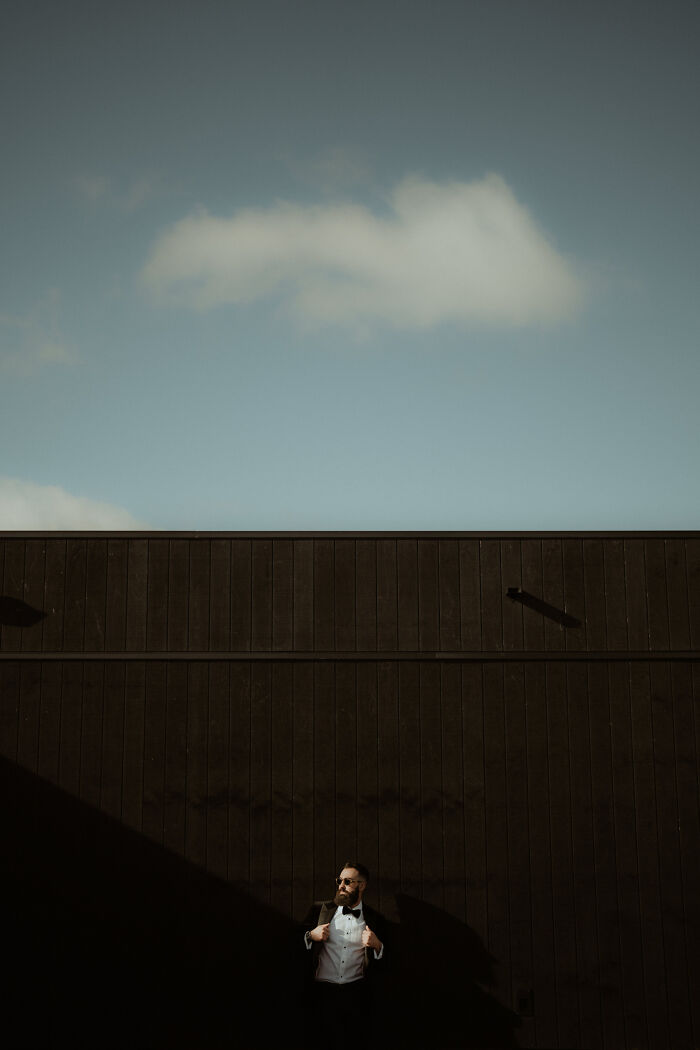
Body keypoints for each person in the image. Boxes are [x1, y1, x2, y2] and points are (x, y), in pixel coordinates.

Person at [302, 861, 387, 1049]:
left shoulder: (374, 919)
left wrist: (378, 945)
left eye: (347, 881)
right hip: (322, 994)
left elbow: (390, 959)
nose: (341, 886)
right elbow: (291, 943)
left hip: (355, 996)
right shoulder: (320, 911)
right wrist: (310, 936)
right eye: (339, 880)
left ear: (362, 885)